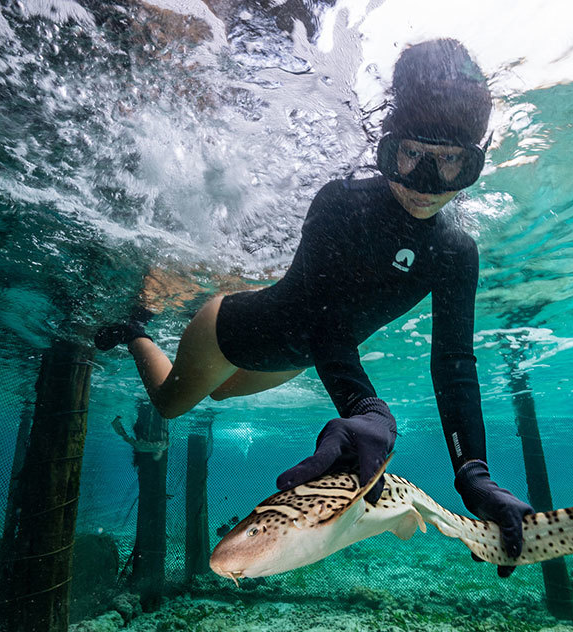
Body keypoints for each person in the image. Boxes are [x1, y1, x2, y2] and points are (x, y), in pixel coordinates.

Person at [96, 38, 534, 577]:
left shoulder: (455, 252)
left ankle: (177, 349)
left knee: (224, 390)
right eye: (410, 154)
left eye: (449, 164)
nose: (424, 183)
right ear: (387, 144)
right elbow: (319, 317)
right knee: (170, 404)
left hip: (297, 356)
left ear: (473, 165)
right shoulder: (341, 203)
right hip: (234, 332)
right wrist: (366, 408)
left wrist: (475, 475)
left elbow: (454, 364)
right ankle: (136, 329)